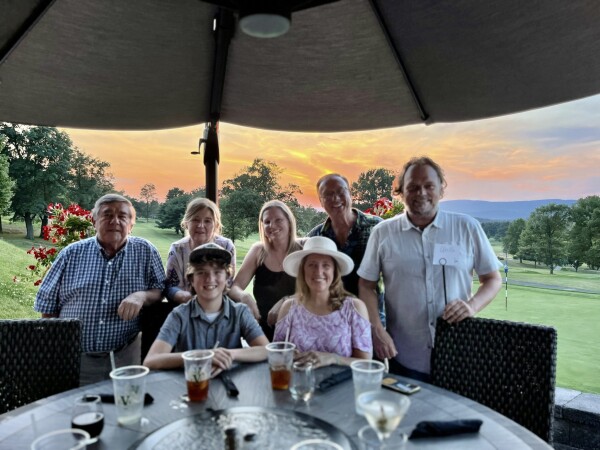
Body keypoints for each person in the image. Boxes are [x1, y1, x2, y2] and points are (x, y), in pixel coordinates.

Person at [358, 156, 502, 381]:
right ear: (401, 192)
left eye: (429, 186)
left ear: (441, 190)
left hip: (458, 355)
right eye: (413, 187)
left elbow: (492, 279)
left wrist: (472, 306)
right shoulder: (383, 233)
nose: (421, 192)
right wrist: (377, 330)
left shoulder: (467, 227)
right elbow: (366, 285)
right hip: (404, 357)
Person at [34, 193, 165, 385]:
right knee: (80, 410)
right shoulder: (71, 254)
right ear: (94, 220)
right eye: (107, 215)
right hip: (76, 358)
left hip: (126, 356)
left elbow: (160, 289)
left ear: (131, 224)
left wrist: (141, 296)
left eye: (122, 216)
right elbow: (47, 303)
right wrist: (57, 349)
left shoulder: (146, 251)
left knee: (125, 407)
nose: (115, 221)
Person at [144, 243, 268, 375]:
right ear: (191, 280)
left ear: (227, 278)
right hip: (191, 386)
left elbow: (266, 350)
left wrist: (227, 354)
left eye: (217, 272)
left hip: (231, 386)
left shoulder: (239, 312)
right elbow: (151, 360)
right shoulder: (179, 316)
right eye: (201, 272)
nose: (209, 279)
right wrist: (202, 356)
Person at [273, 236, 372, 367]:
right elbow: (275, 353)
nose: (318, 272)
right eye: (312, 265)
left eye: (326, 265)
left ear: (335, 271)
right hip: (299, 384)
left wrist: (332, 358)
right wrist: (288, 355)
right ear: (303, 270)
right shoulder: (289, 308)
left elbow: (365, 363)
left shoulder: (354, 308)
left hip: (340, 385)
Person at [307, 174, 385, 323]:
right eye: (328, 194)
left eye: (340, 191)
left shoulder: (377, 228)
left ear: (350, 194)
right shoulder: (315, 237)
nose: (335, 198)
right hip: (331, 324)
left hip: (374, 323)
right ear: (321, 202)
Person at [228, 200, 304, 341]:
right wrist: (245, 297)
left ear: (289, 221)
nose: (272, 226)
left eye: (278, 220)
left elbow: (319, 291)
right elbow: (235, 287)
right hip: (264, 332)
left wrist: (286, 301)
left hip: (300, 330)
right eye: (267, 221)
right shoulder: (258, 251)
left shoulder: (303, 248)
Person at [165, 197, 236, 304]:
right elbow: (171, 286)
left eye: (207, 221)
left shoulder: (226, 246)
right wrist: (188, 298)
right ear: (186, 223)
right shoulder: (177, 248)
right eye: (195, 219)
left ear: (216, 225)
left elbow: (228, 283)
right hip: (185, 308)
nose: (200, 225)